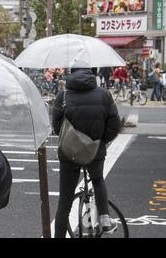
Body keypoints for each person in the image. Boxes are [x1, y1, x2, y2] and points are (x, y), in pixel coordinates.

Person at [52, 67, 121, 238]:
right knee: (97, 180)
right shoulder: (104, 95)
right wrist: (100, 141)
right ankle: (105, 220)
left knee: (64, 202)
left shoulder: (63, 96)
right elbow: (114, 124)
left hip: (70, 154)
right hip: (95, 151)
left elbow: (56, 127)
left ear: (71, 73)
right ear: (91, 72)